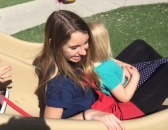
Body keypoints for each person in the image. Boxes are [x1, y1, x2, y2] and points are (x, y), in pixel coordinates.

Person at [35, 10, 168, 130]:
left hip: (105, 91)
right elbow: (50, 126)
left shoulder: (70, 57)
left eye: (85, 43)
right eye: (74, 47)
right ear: (53, 43)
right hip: (113, 111)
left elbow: (98, 61)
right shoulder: (60, 84)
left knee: (140, 47)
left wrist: (122, 65)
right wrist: (87, 115)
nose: (83, 52)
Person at [88, 22, 140, 102]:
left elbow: (109, 59)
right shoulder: (104, 73)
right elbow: (124, 97)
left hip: (124, 73)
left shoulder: (94, 59)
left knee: (140, 45)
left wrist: (124, 66)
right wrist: (136, 75)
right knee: (164, 65)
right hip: (129, 86)